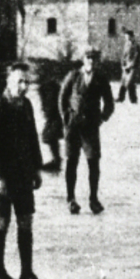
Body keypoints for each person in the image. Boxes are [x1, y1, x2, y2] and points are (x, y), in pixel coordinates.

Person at [0, 63, 45, 279]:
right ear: (8, 82)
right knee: (2, 221)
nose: (23, 86)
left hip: (23, 174)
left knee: (25, 220)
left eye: (26, 82)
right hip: (4, 176)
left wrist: (37, 168)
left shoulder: (26, 105)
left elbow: (32, 138)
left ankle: (26, 274)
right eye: (19, 81)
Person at [59, 48, 115, 215]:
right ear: (83, 59)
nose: (91, 61)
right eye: (88, 57)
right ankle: (71, 199)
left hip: (90, 127)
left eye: (94, 58)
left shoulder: (101, 78)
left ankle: (93, 199)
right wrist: (66, 117)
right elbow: (62, 97)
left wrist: (102, 118)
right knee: (72, 161)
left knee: (93, 162)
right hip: (73, 127)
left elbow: (109, 103)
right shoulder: (73, 76)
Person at [37, 62, 66, 172]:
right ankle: (56, 160)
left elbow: (51, 102)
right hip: (54, 116)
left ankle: (56, 161)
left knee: (49, 136)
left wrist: (47, 111)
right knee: (50, 137)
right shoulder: (46, 86)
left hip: (55, 116)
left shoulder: (50, 86)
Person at [116, 30, 140, 103]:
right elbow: (123, 56)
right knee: (123, 82)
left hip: (133, 68)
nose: (127, 39)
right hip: (125, 67)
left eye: (128, 37)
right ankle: (121, 98)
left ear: (132, 37)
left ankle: (133, 100)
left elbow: (136, 57)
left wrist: (130, 66)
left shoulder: (136, 46)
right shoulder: (126, 45)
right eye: (126, 37)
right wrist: (123, 65)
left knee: (130, 83)